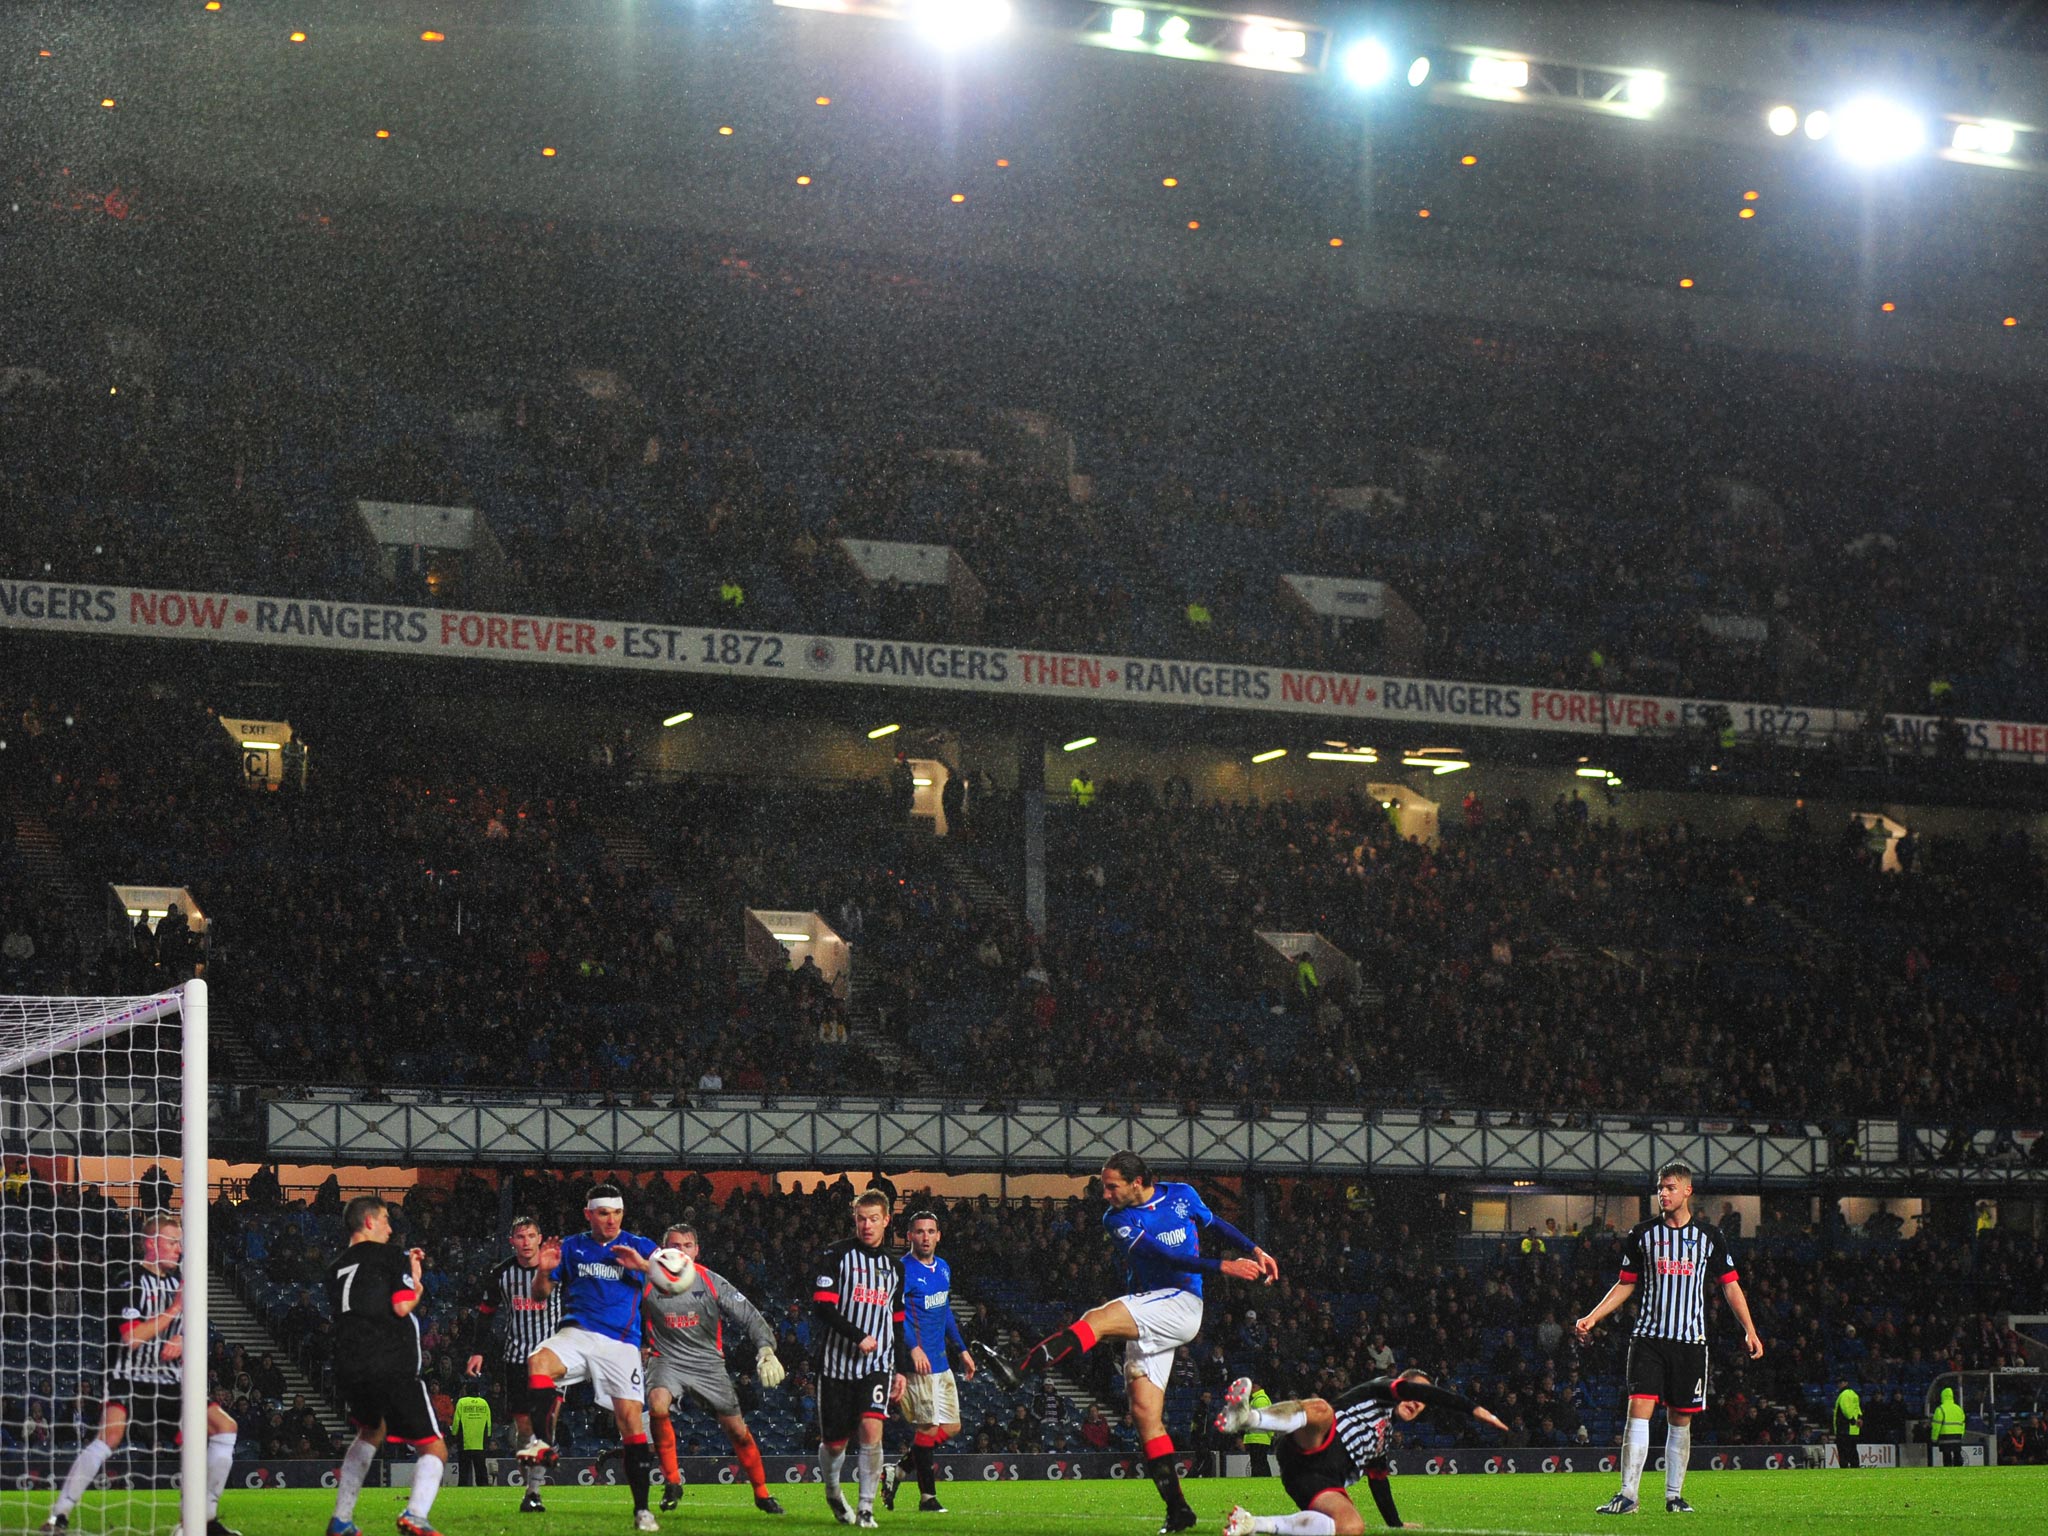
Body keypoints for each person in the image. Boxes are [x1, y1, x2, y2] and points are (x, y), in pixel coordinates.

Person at [1000, 1150, 1277, 1535]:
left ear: (1136, 1182)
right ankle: (1179, 1510)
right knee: (1147, 1417)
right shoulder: (1117, 1218)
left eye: (1111, 1186)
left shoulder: (1181, 1194)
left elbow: (1214, 1225)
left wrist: (1253, 1250)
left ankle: (1019, 1369)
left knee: (1094, 1321)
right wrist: (1222, 1266)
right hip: (1152, 1312)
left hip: (1181, 1305)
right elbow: (1158, 1253)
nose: (1105, 1194)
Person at [1574, 1162, 1763, 1516]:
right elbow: (1626, 1283)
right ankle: (1628, 1495)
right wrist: (1593, 1316)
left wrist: (1750, 1329)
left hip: (1690, 1342)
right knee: (1638, 1410)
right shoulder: (1642, 1234)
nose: (1663, 1193)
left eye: (1671, 1187)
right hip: (1649, 1338)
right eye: (1661, 1187)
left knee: (1680, 1418)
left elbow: (1731, 1286)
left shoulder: (1709, 1237)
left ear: (1687, 1191)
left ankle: (1674, 1497)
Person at [43, 1215, 240, 1536]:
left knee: (225, 1427)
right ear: (151, 1244)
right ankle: (58, 1516)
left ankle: (202, 1520)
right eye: (172, 1242)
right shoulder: (128, 1279)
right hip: (129, 1377)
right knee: (109, 1438)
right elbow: (132, 1337)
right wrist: (174, 1312)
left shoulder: (182, 1281)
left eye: (180, 1243)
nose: (179, 1249)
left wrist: (183, 1338)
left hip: (172, 1381)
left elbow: (196, 1327)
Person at [519, 1182, 662, 1531]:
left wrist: (643, 1265)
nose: (611, 1220)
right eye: (603, 1213)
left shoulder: (640, 1245)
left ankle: (642, 1509)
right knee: (537, 1361)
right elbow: (539, 1296)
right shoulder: (570, 1247)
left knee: (630, 1423)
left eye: (616, 1213)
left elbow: (676, 1281)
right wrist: (542, 1270)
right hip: (577, 1334)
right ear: (589, 1214)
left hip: (622, 1343)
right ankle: (540, 1441)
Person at [1217, 1369, 1509, 1535]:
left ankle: (1253, 1524)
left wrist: (1395, 1525)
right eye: (1414, 1394)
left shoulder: (1382, 1441)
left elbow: (1379, 1483)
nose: (1418, 1402)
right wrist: (1472, 1408)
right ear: (1399, 1387)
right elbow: (1418, 1391)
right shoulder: (1379, 1389)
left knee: (1352, 1526)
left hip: (1318, 1482)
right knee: (1321, 1408)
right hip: (1313, 1443)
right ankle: (1248, 1418)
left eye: (1423, 1402)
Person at [321, 1196, 449, 1536]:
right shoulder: (390, 1255)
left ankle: (341, 1520)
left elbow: (366, 1298)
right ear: (368, 1222)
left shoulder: (334, 1268)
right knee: (433, 1446)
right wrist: (416, 1282)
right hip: (389, 1362)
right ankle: (416, 1515)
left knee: (370, 1431)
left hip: (349, 1365)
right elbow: (402, 1306)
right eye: (385, 1220)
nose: (391, 1229)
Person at [639, 1224, 786, 1516]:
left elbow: (749, 1315)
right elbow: (621, 1313)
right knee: (657, 1404)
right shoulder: (646, 1281)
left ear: (697, 1251)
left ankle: (761, 1493)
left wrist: (766, 1348)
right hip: (666, 1359)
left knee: (738, 1432)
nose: (681, 1251)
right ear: (661, 1251)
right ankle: (671, 1481)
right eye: (674, 1246)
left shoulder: (709, 1279)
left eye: (687, 1245)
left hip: (707, 1363)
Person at [810, 1189, 910, 1529]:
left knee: (871, 1430)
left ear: (886, 1220)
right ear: (854, 1220)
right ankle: (833, 1490)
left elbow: (897, 1322)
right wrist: (858, 1336)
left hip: (877, 1365)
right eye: (861, 1219)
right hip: (837, 1364)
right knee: (835, 1444)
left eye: (873, 1219)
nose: (867, 1225)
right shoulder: (835, 1255)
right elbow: (822, 1305)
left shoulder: (894, 1267)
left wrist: (900, 1369)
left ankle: (866, 1508)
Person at [461, 1215, 564, 1514]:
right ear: (512, 1241)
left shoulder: (557, 1267)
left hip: (553, 1356)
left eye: (531, 1236)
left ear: (540, 1239)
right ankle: (529, 1484)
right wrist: (477, 1351)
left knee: (547, 1418)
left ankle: (534, 1491)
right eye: (520, 1237)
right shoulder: (501, 1273)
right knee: (523, 1428)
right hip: (517, 1357)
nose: (526, 1242)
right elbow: (486, 1313)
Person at [882, 1210, 977, 1515]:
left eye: (930, 1231)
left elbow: (945, 1310)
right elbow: (895, 1315)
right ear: (909, 1236)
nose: (925, 1237)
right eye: (919, 1232)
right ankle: (928, 1499)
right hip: (917, 1365)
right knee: (928, 1428)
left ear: (939, 1235)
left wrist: (961, 1350)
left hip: (941, 1361)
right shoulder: (903, 1269)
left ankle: (898, 1471)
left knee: (950, 1427)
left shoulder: (944, 1268)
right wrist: (913, 1349)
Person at [452, 1381, 492, 1487]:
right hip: (479, 1442)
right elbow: (488, 1424)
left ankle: (463, 1489)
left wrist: (454, 1434)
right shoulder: (484, 1403)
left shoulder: (461, 1402)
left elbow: (456, 1421)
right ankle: (483, 1488)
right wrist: (487, 1437)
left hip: (465, 1441)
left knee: (464, 1470)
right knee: (481, 1469)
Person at [1241, 1383, 1275, 1477]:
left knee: (1258, 1463)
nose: (1252, 1389)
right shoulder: (1258, 1399)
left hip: (1258, 1437)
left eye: (1254, 1386)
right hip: (1259, 1437)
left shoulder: (1260, 1400)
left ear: (1260, 1387)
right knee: (1260, 1462)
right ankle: (1264, 1480)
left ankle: (1261, 1479)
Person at [1931, 1385, 1965, 1465]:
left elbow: (1936, 1426)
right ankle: (1959, 1471)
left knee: (1947, 1456)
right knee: (1957, 1454)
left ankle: (1948, 1472)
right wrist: (1961, 1435)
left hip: (1945, 1436)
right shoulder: (1958, 1409)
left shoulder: (1940, 1409)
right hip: (1957, 1436)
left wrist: (1934, 1438)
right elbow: (1962, 1424)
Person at [1832, 1380, 1861, 1469]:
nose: (1839, 1385)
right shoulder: (1854, 1394)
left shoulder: (1844, 1395)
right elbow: (1857, 1409)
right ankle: (1855, 1468)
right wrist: (1858, 1418)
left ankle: (1844, 1469)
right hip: (1854, 1429)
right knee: (1853, 1450)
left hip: (1844, 1427)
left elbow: (1846, 1409)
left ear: (1845, 1383)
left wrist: (1851, 1419)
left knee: (1843, 1451)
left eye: (1840, 1383)